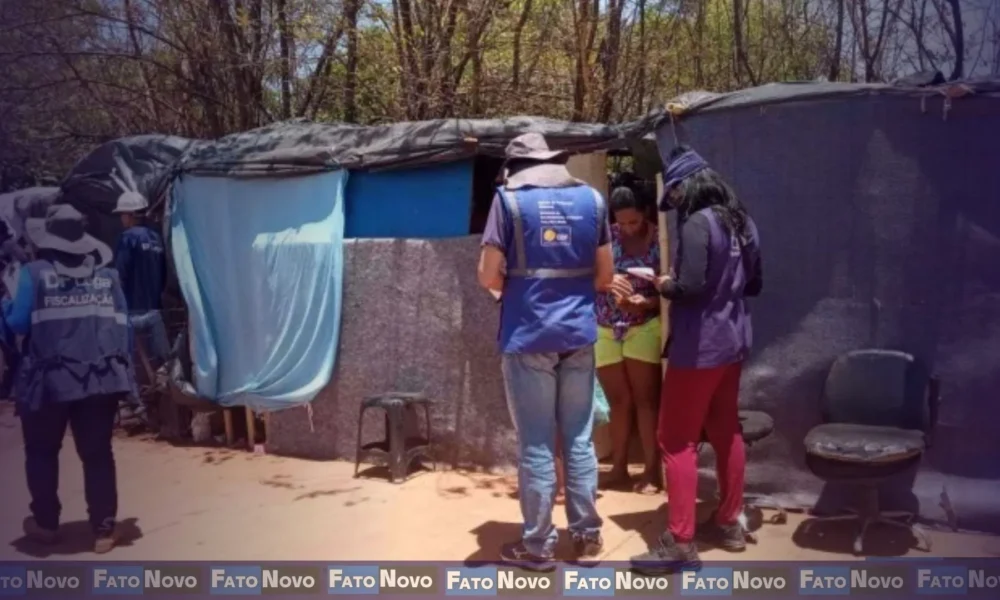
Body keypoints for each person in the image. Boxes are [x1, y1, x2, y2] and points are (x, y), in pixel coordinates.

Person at [478, 132, 622, 569]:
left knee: (537, 444)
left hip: (528, 337)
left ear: (515, 168)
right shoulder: (593, 200)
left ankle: (538, 546)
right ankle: (588, 537)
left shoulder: (508, 202)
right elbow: (605, 276)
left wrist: (515, 291)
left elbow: (487, 275)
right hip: (578, 335)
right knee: (579, 439)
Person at [631, 146, 763, 573]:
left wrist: (661, 284)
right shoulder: (743, 222)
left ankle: (680, 541)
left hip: (699, 347)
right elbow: (754, 284)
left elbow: (689, 288)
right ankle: (729, 523)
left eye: (674, 193)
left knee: (676, 440)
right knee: (726, 431)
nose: (673, 201)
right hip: (733, 341)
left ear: (689, 186)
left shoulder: (697, 223)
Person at [3, 204, 133, 554]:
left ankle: (46, 525)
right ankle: (104, 530)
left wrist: (5, 306)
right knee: (98, 453)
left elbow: (17, 324)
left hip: (47, 382)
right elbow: (124, 326)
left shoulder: (33, 274)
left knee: (42, 451)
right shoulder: (108, 277)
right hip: (99, 379)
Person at [594, 184, 663, 493]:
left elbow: (673, 289)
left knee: (646, 400)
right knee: (618, 401)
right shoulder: (605, 238)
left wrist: (646, 303)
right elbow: (588, 278)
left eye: (633, 221)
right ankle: (619, 467)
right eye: (621, 222)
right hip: (605, 326)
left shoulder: (661, 240)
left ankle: (652, 471)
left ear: (645, 213)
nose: (627, 228)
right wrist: (608, 282)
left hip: (643, 325)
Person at [113, 192, 168, 419]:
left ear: (130, 215)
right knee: (163, 364)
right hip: (154, 311)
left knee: (126, 362)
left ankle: (135, 405)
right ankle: (166, 405)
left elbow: (119, 275)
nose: (121, 219)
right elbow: (164, 274)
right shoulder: (156, 238)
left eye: (122, 215)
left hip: (131, 312)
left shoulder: (127, 239)